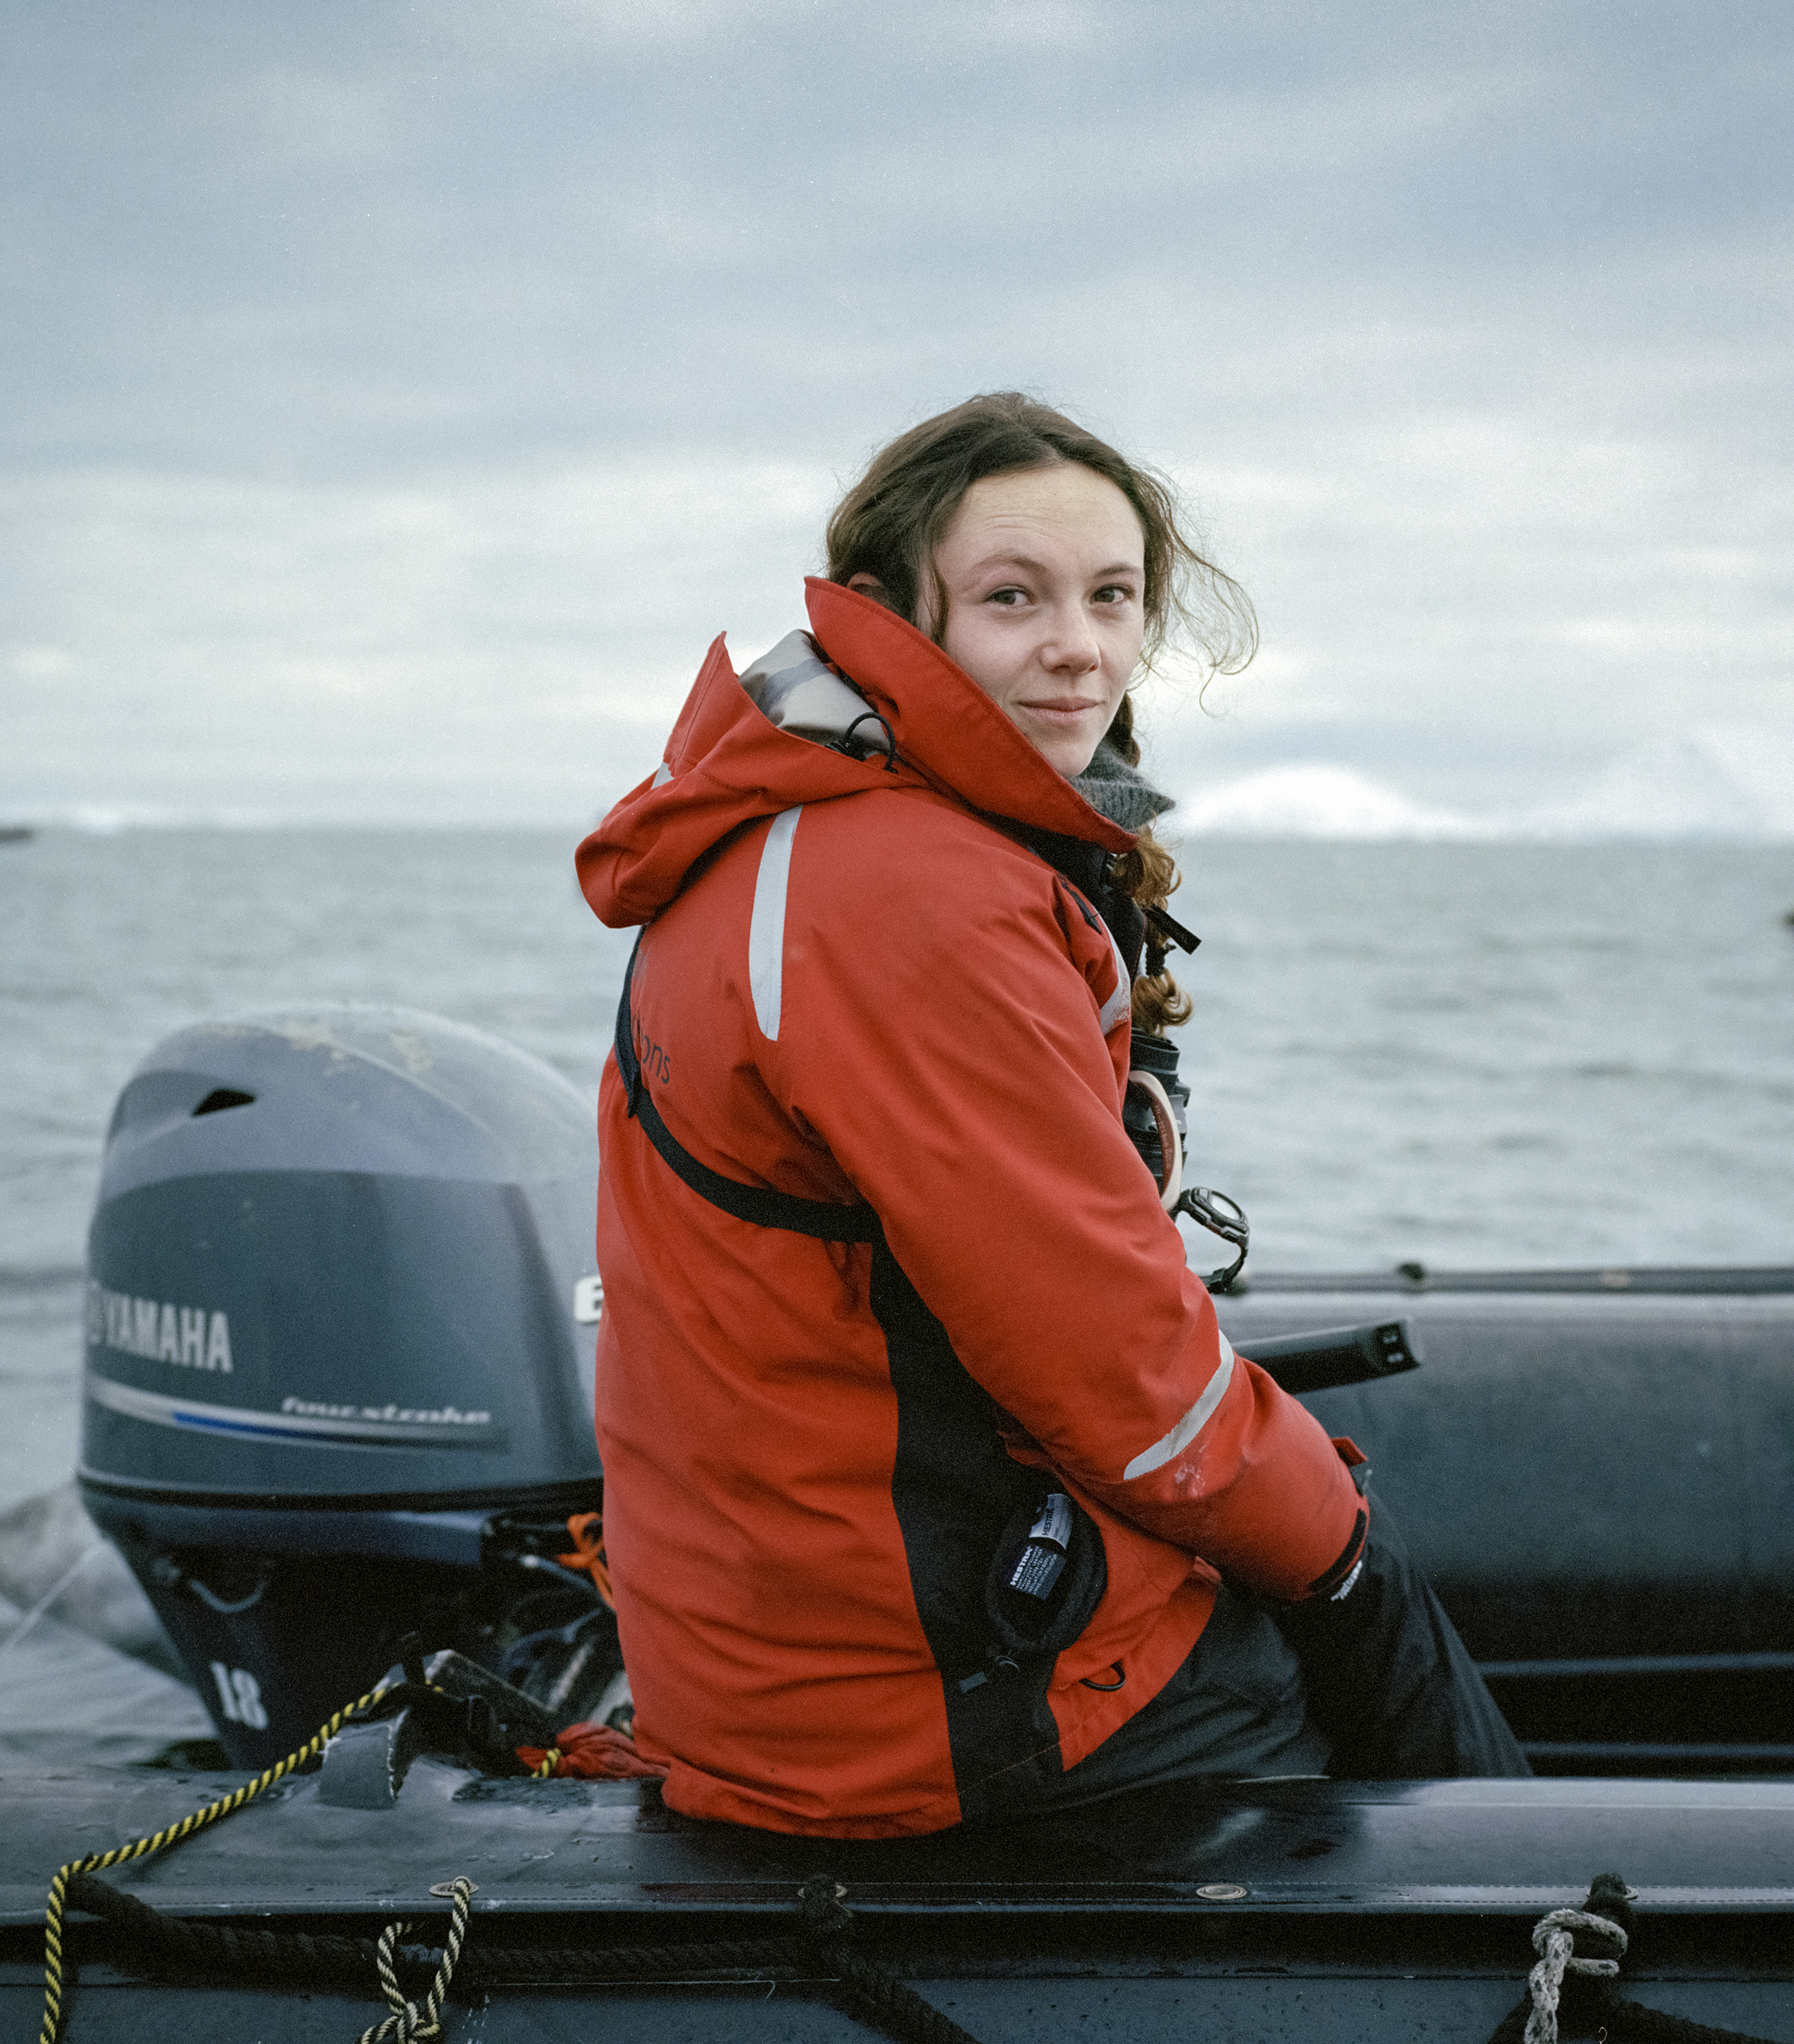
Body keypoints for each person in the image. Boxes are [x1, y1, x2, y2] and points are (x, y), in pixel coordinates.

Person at [575, 391, 1526, 1838]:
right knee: (1369, 1600)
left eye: (1111, 597)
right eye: (1012, 598)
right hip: (912, 1707)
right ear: (893, 612)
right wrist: (1338, 1550)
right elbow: (1122, 1386)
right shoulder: (907, 898)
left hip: (776, 1644)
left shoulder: (798, 828)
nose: (1078, 646)